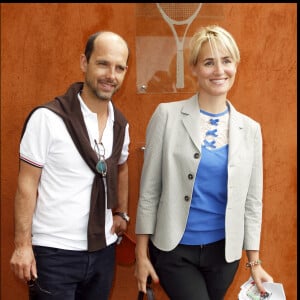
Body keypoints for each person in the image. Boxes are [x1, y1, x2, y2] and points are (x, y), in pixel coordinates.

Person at [135, 25, 273, 300]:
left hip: (224, 257)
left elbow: (252, 202)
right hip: (174, 251)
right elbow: (149, 191)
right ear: (194, 69)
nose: (219, 70)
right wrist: (141, 255)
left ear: (236, 65)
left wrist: (254, 262)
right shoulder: (166, 116)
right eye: (209, 62)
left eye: (226, 60)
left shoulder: (251, 129)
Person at [10, 31, 131, 300]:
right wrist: (22, 246)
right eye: (103, 63)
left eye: (119, 68)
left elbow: (121, 166)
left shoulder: (120, 124)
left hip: (104, 252)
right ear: (84, 62)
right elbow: (26, 185)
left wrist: (122, 214)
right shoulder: (48, 118)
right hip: (54, 254)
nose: (111, 75)